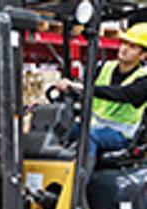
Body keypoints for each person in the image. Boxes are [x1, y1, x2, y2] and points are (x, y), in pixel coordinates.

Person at [56, 23, 147, 157]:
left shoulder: (144, 78)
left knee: (89, 136)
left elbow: (125, 94)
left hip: (121, 135)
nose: (124, 49)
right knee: (58, 127)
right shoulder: (105, 67)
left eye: (132, 47)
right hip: (93, 126)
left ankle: (82, 176)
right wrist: (70, 89)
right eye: (124, 43)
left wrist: (86, 89)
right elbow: (85, 88)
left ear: (143, 55)